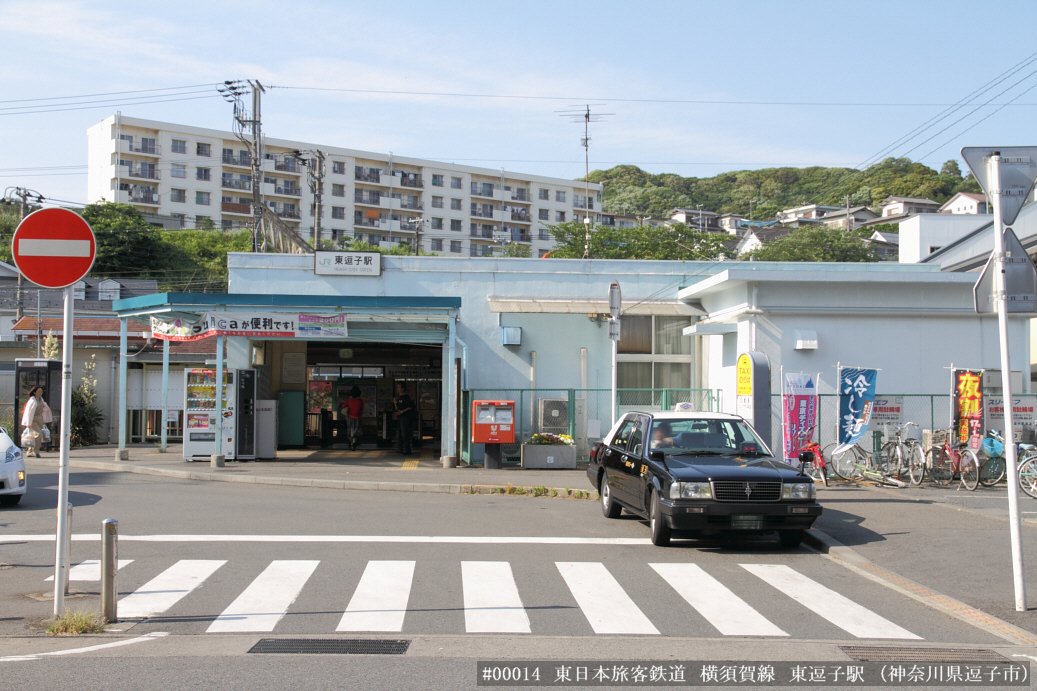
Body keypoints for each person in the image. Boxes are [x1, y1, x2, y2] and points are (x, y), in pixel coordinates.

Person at [21, 386, 47, 457]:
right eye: (39, 391)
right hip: (33, 419)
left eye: (41, 391)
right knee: (39, 434)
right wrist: (28, 423)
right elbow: (29, 412)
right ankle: (36, 451)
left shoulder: (41, 400)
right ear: (34, 392)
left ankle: (30, 451)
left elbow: (44, 410)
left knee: (33, 436)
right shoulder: (32, 401)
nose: (40, 393)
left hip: (39, 418)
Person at [392, 382, 417, 455]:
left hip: (405, 417)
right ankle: (400, 448)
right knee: (398, 433)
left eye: (399, 387)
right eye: (397, 388)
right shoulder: (398, 398)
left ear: (403, 388)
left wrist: (402, 412)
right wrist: (395, 404)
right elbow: (398, 409)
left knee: (404, 433)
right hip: (400, 417)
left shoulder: (406, 397)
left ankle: (407, 449)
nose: (398, 389)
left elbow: (410, 407)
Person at [342, 385, 364, 451]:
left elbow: (343, 406)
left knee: (350, 429)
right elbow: (361, 410)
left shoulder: (349, 400)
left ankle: (350, 441)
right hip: (357, 417)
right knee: (355, 430)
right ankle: (354, 442)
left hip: (349, 417)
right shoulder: (360, 401)